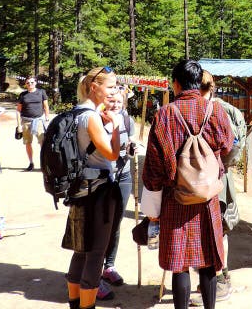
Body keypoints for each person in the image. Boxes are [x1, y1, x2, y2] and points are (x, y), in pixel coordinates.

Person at [143, 60, 234, 309]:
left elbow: (153, 166)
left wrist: (151, 204)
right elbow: (227, 146)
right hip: (207, 196)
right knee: (208, 260)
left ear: (176, 83)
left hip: (176, 197)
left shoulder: (165, 114)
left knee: (179, 262)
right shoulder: (215, 111)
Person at [64, 66, 122, 309]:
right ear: (94, 87)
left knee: (80, 250)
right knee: (96, 252)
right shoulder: (91, 117)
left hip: (79, 188)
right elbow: (112, 154)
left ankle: (75, 303)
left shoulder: (75, 113)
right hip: (98, 191)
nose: (114, 91)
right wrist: (116, 126)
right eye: (110, 86)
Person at [189, 71, 247, 306]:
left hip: (212, 179)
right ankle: (212, 279)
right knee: (211, 228)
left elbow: (234, 146)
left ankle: (219, 279)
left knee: (217, 228)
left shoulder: (219, 111)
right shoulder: (221, 108)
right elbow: (236, 146)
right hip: (217, 176)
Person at [97, 86, 137, 301]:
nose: (115, 106)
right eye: (111, 102)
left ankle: (109, 266)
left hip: (123, 175)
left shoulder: (127, 119)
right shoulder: (94, 120)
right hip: (102, 177)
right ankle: (92, 276)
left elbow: (129, 142)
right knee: (100, 225)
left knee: (115, 223)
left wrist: (132, 148)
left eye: (119, 103)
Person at [16, 76, 50, 171]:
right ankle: (31, 163)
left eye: (32, 82)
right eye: (28, 83)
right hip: (26, 121)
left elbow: (46, 106)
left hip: (38, 121)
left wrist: (47, 118)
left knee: (42, 142)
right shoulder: (23, 95)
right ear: (25, 84)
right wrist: (19, 125)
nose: (30, 84)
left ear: (35, 83)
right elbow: (18, 110)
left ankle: (44, 163)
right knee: (28, 143)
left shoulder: (41, 92)